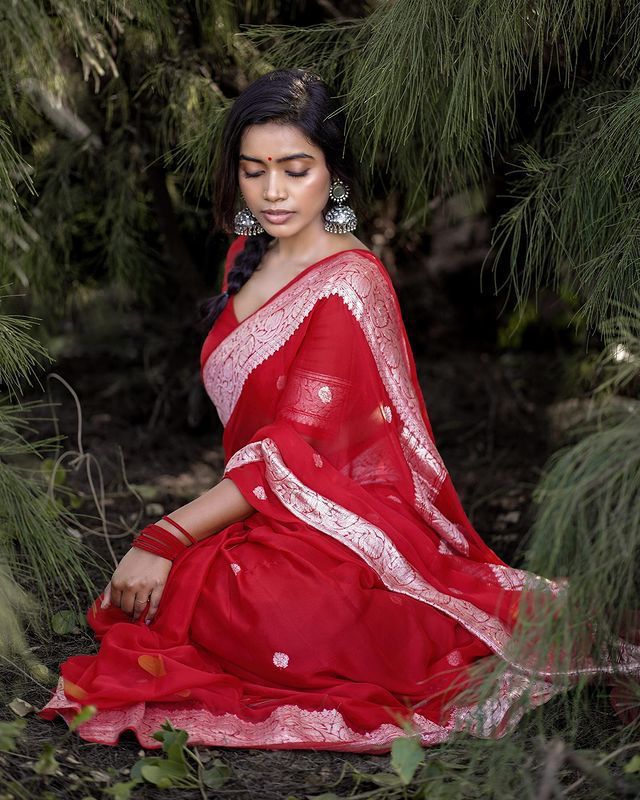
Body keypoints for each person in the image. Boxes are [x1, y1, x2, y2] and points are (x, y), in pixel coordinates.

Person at [37, 69, 639, 752]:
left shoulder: (349, 283)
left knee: (221, 602)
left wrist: (164, 536)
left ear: (335, 174)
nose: (272, 193)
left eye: (296, 170)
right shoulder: (248, 252)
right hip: (267, 511)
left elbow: (287, 451)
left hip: (336, 525)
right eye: (254, 170)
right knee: (177, 602)